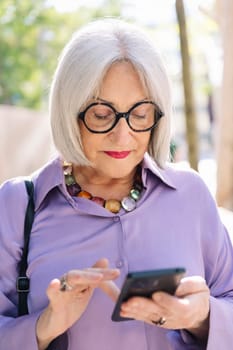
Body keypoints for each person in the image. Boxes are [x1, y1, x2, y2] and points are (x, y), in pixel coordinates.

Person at [0, 18, 233, 350]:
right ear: (69, 111)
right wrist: (43, 326)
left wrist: (202, 316)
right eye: (100, 113)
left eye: (139, 114)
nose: (123, 135)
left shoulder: (190, 195)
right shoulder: (17, 204)